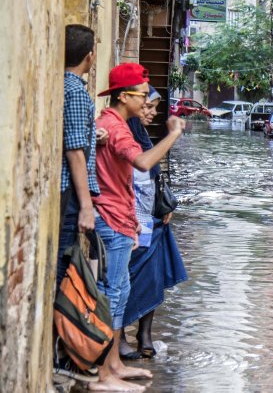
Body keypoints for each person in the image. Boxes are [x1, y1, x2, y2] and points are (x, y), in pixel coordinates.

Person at [92, 63, 186, 391]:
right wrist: (174, 133)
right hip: (111, 219)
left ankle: (113, 364)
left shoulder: (112, 123)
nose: (147, 103)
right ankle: (104, 373)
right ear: (124, 96)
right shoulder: (116, 127)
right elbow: (143, 163)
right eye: (143, 96)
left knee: (119, 294)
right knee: (112, 294)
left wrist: (132, 224)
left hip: (121, 219)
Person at [119, 86, 188, 360]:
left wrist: (162, 205)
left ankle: (144, 334)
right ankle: (120, 335)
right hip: (134, 219)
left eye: (154, 108)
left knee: (154, 277)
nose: (151, 113)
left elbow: (153, 175)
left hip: (152, 218)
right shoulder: (125, 134)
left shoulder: (142, 134)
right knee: (129, 277)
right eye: (147, 107)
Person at [58, 24, 107, 286]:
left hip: (67, 193)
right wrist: (87, 207)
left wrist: (92, 134)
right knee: (63, 268)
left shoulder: (62, 86)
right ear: (89, 56)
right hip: (70, 195)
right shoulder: (76, 92)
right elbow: (75, 152)